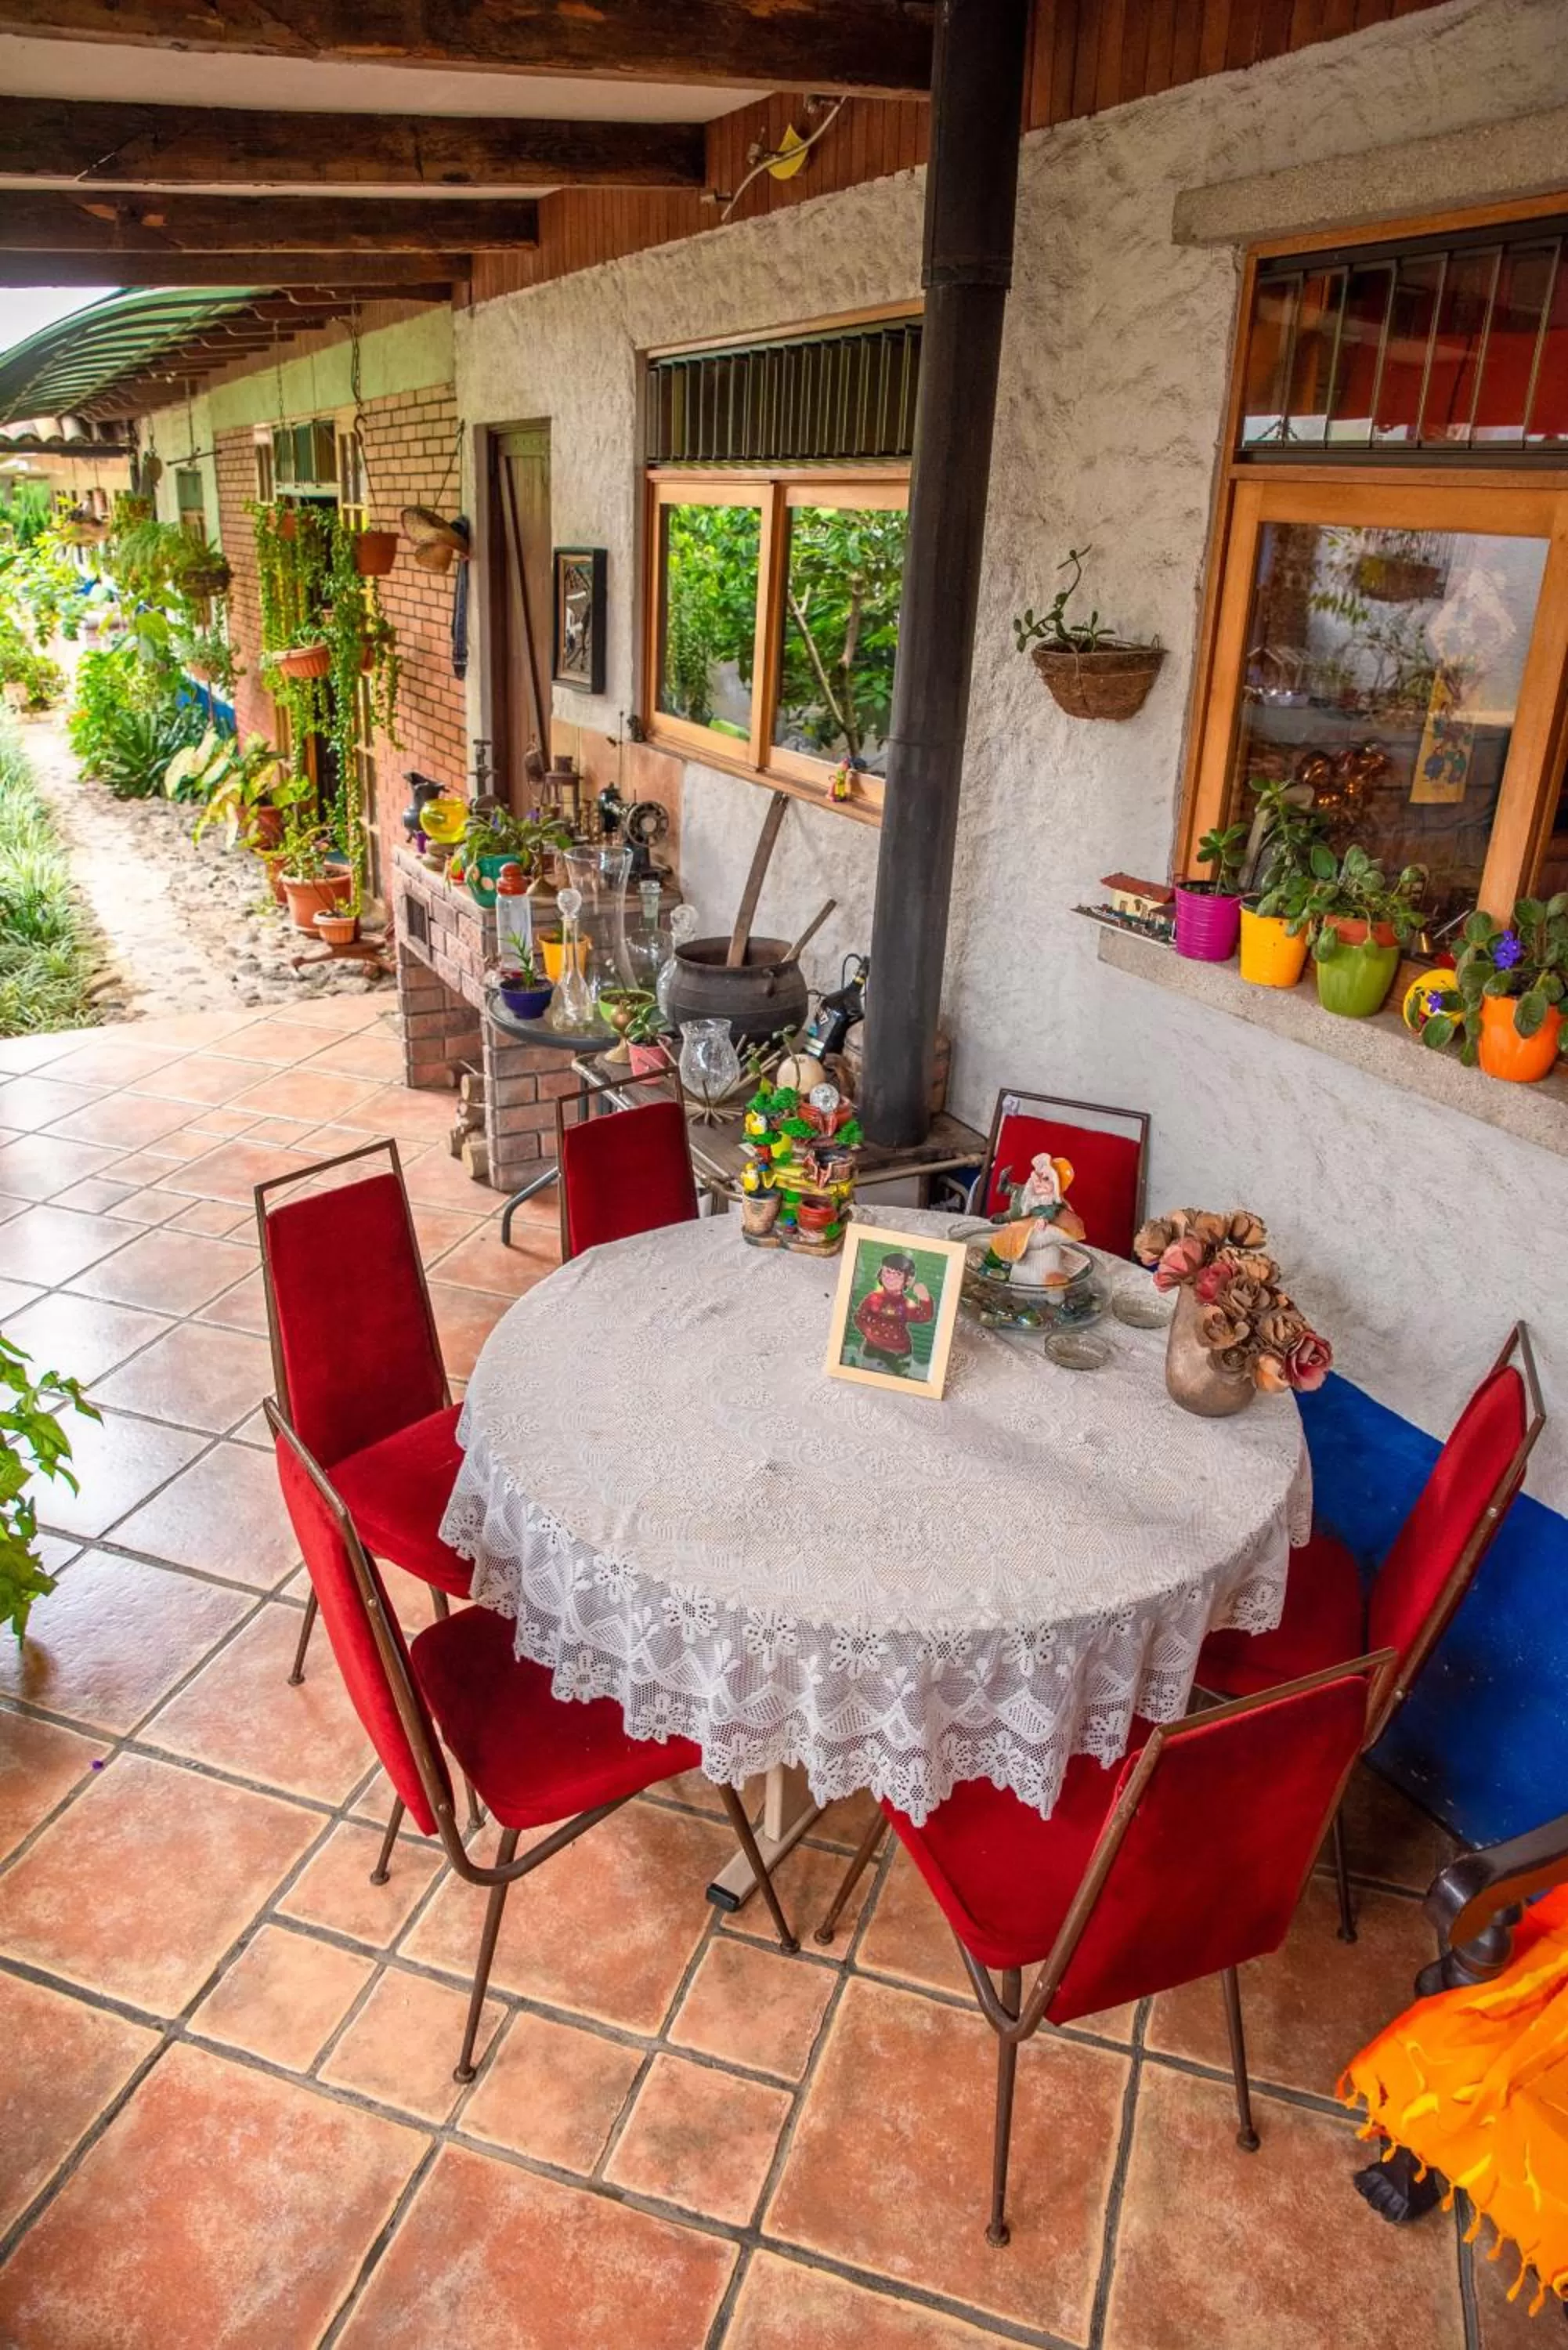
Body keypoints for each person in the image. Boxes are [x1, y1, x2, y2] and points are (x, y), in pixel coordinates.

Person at [852, 1249, 934, 1374]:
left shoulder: (906, 1304)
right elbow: (859, 1316)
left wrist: (925, 1299)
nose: (891, 1277)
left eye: (898, 1274)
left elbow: (924, 1316)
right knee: (867, 1374)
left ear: (908, 1280)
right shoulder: (873, 1298)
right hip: (872, 1348)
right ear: (881, 1273)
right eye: (888, 1272)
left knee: (898, 1377)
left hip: (899, 1352)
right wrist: (869, 1332)